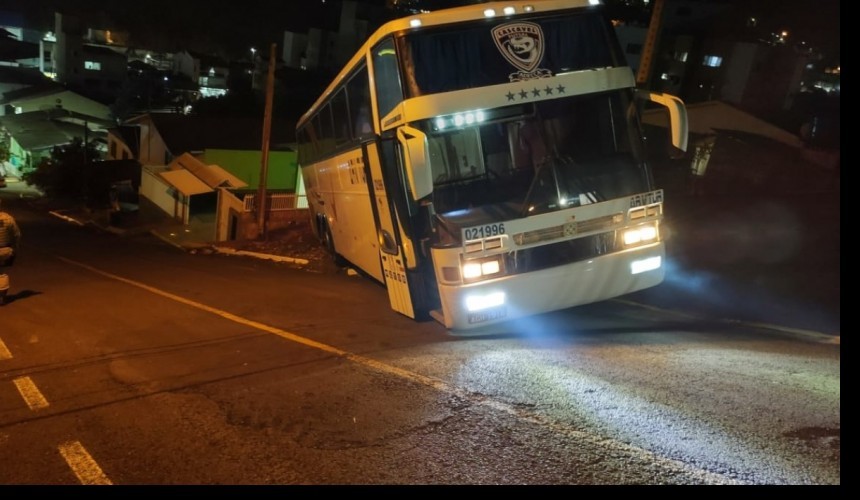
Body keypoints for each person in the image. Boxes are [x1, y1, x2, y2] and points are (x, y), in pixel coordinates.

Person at [0, 198, 22, 305]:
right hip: (5, 250)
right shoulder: (8, 218)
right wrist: (15, 248)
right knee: (2, 273)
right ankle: (2, 296)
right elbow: (16, 234)